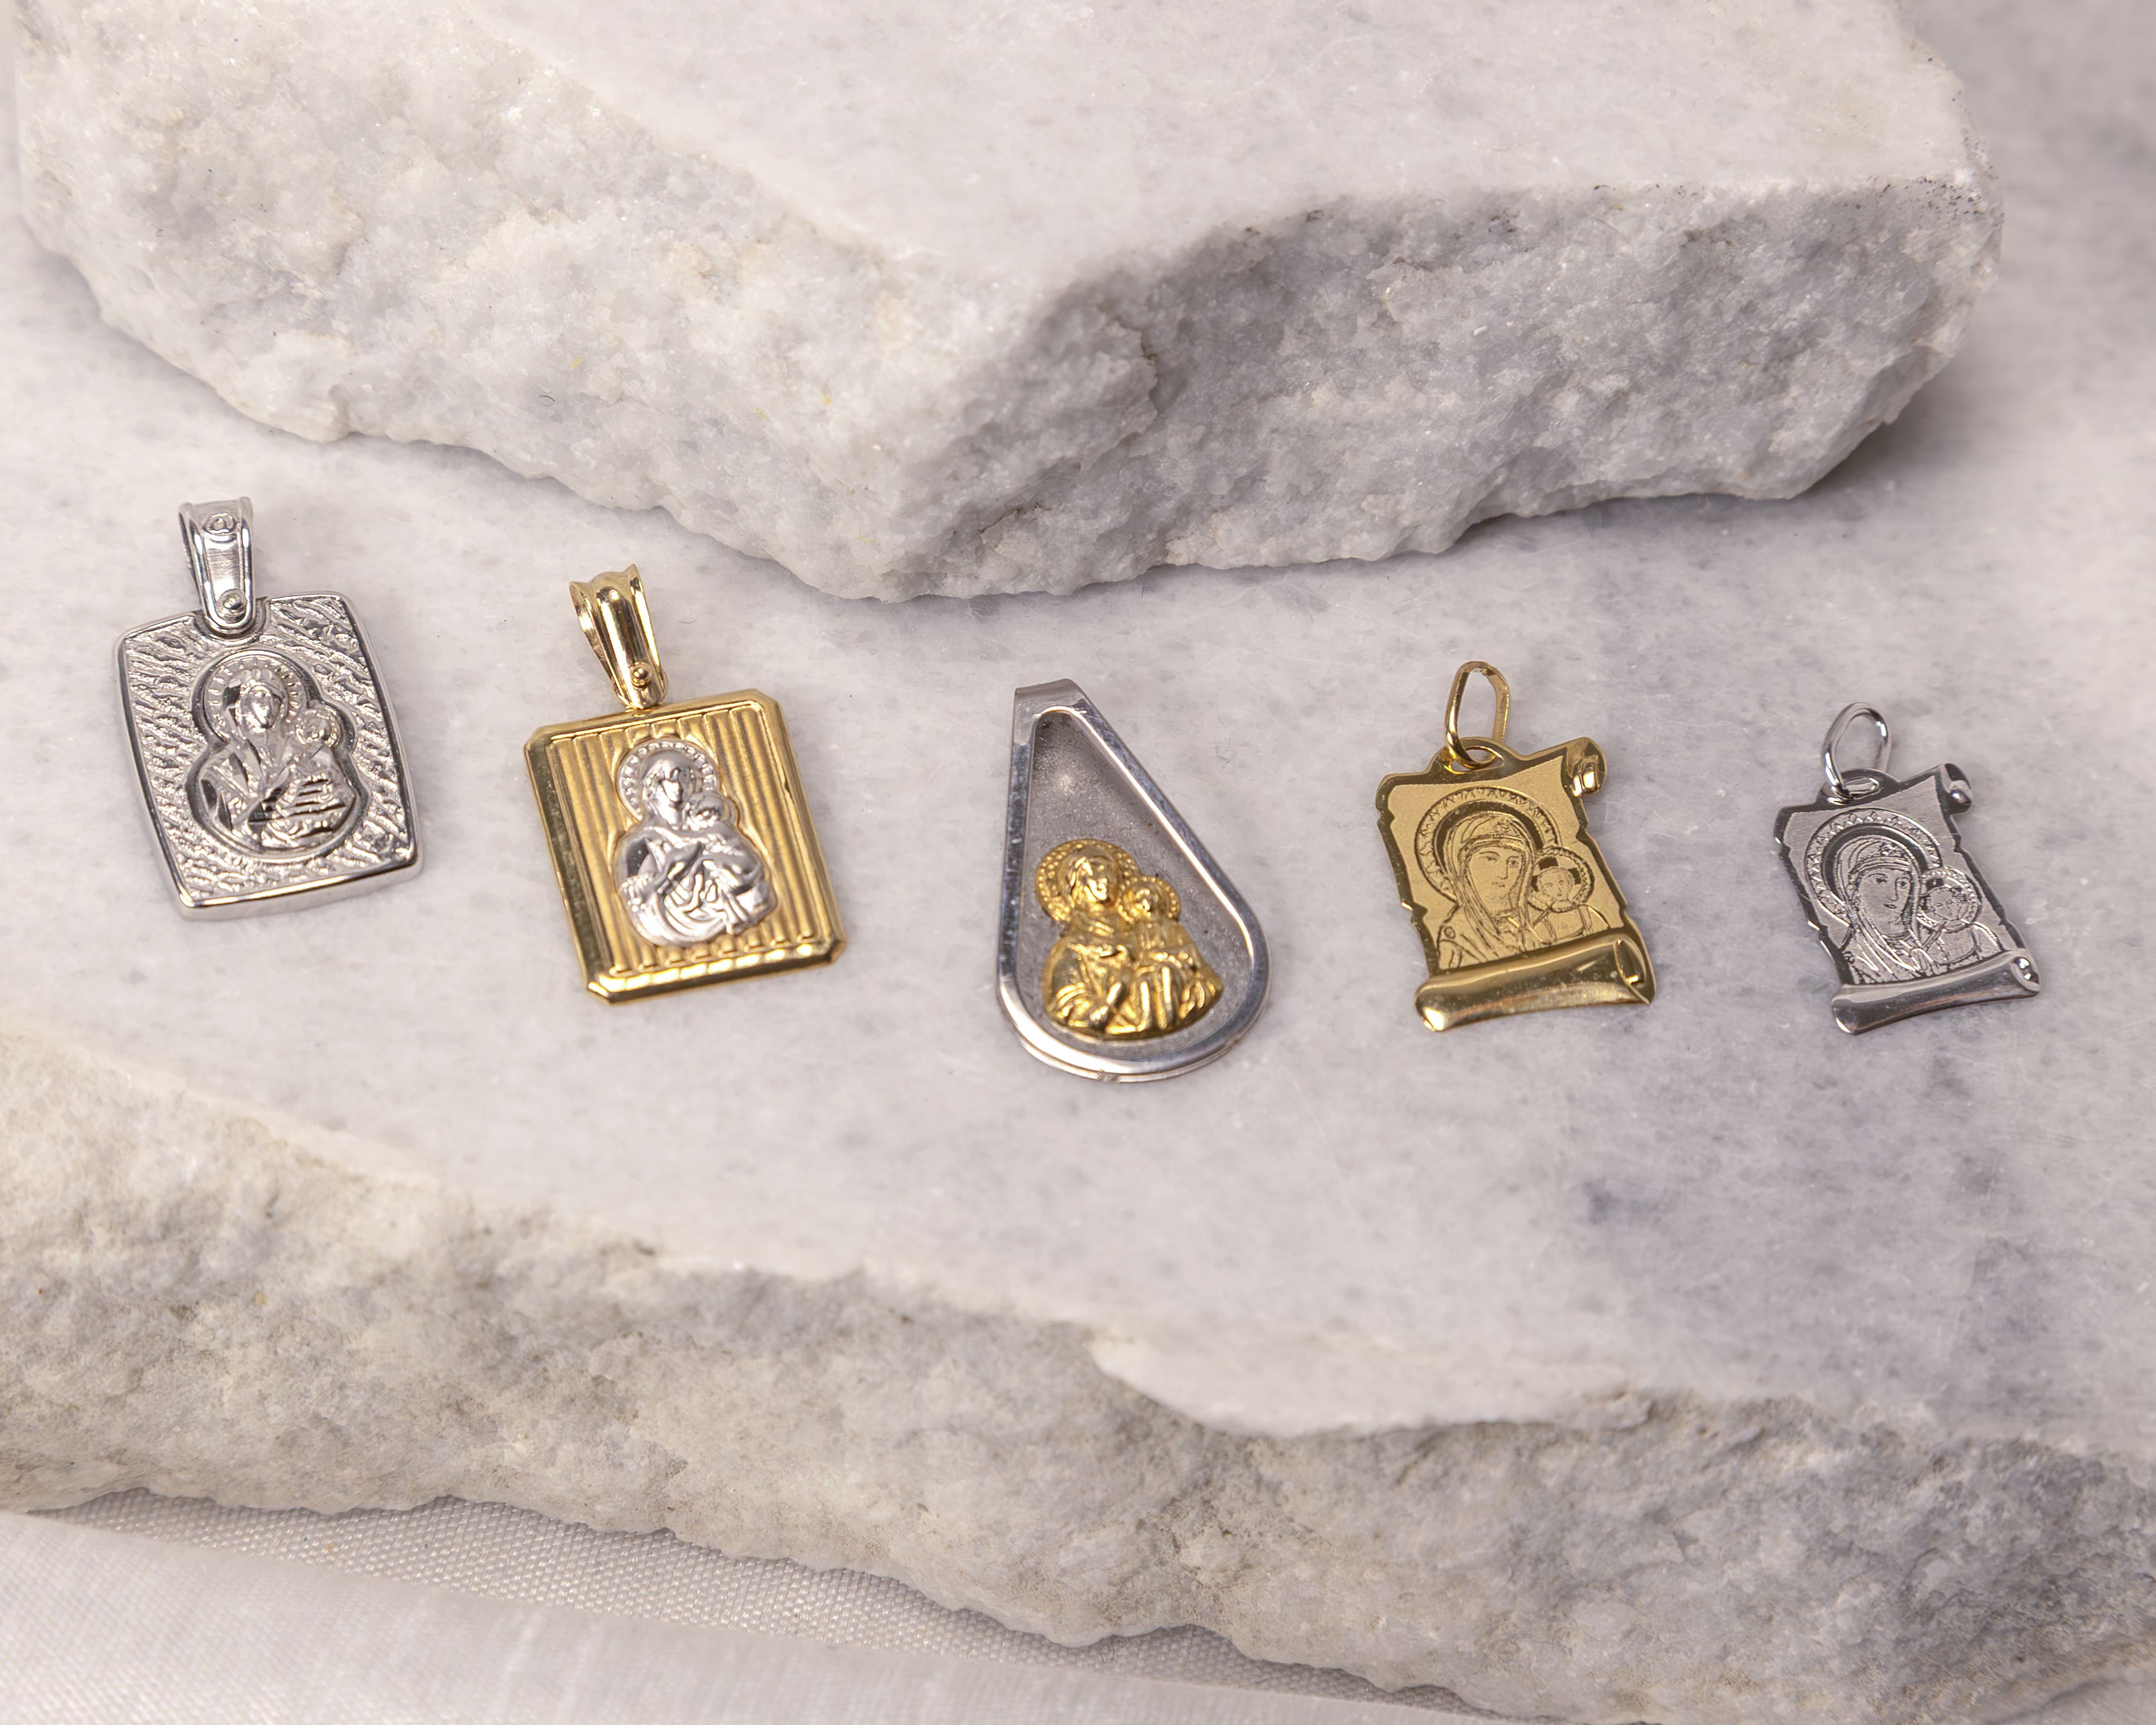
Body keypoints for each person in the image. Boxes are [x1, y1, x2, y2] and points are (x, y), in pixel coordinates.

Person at [189, 652, 359, 855]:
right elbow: (233, 828)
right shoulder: (220, 770)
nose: (268, 703)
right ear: (238, 707)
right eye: (259, 695)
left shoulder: (312, 753)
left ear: (284, 707)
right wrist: (280, 788)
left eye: (275, 696)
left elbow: (342, 797)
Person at [614, 745, 775, 947]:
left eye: (686, 776)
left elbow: (750, 869)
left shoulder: (716, 828)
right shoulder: (643, 841)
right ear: (652, 785)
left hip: (737, 912)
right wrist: (669, 876)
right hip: (671, 925)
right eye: (672, 777)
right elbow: (637, 897)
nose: (680, 784)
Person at [1111, 873, 1221, 1035]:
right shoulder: (1134, 932)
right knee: (1143, 982)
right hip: (1145, 970)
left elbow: (1190, 951)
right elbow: (1133, 956)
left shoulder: (1173, 927)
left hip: (1176, 970)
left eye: (1149, 895)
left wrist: (1165, 955)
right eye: (1139, 897)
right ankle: (1147, 1024)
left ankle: (1169, 1020)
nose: (1145, 901)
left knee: (1165, 971)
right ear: (1132, 904)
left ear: (1158, 898)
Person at [1430, 808, 1537, 970]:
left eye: (1514, 862)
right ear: (1464, 866)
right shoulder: (1456, 937)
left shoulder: (1524, 932)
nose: (1504, 874)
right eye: (1491, 859)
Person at [1831, 833, 1932, 984]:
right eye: (1880, 881)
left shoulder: (1931, 942)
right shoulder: (1855, 960)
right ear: (1854, 891)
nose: (1894, 896)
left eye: (1903, 884)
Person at [1915, 869, 2001, 971]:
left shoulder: (1976, 932)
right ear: (1934, 910)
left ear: (1959, 903)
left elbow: (1996, 960)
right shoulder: (1935, 940)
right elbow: (1934, 969)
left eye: (1951, 903)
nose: (1947, 909)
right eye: (1940, 905)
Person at [1522, 849, 1608, 947]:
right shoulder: (1544, 923)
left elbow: (1606, 938)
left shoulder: (1586, 913)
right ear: (1543, 890)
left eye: (1561, 882)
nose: (1558, 889)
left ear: (1570, 883)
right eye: (1550, 886)